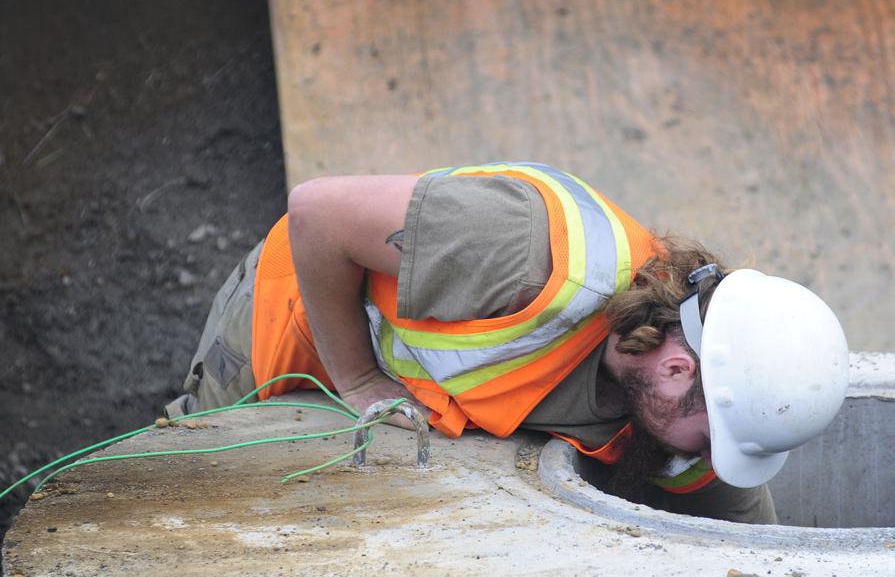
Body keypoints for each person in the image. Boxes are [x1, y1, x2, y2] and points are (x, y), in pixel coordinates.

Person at [169, 162, 849, 524]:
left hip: (426, 397)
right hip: (299, 332)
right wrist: (357, 381)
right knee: (207, 505)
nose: (703, 456)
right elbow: (317, 214)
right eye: (710, 437)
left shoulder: (688, 411)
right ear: (675, 366)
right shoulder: (529, 255)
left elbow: (743, 538)